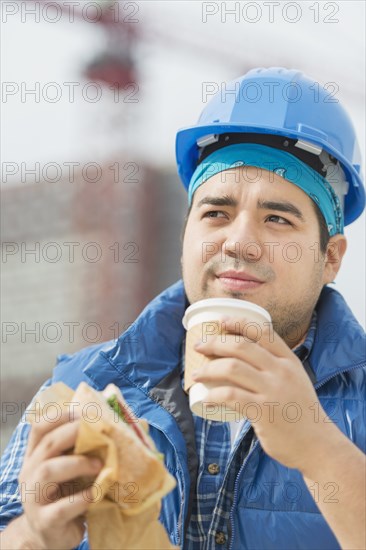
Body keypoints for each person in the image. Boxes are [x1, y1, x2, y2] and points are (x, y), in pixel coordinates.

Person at [0, 67, 365, 550]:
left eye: (277, 219)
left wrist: (319, 448)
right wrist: (37, 535)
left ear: (331, 258)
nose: (238, 242)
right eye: (216, 213)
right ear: (186, 234)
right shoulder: (82, 386)